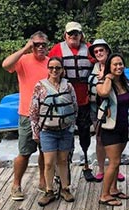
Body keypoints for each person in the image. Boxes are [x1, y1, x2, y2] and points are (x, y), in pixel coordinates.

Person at [1, 31, 49, 201]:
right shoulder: (23, 60)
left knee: (46, 151)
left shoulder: (51, 64)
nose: (41, 47)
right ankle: (16, 184)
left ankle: (43, 182)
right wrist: (26, 48)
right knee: (24, 152)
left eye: (43, 44)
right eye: (37, 44)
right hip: (27, 115)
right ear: (31, 45)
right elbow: (6, 64)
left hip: (47, 115)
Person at [48, 22, 97, 182]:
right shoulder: (57, 49)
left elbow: (99, 65)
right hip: (65, 100)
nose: (73, 36)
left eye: (76, 34)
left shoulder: (89, 48)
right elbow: (50, 71)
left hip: (84, 100)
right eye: (70, 34)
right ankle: (62, 168)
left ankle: (86, 164)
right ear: (65, 35)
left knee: (84, 133)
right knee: (64, 133)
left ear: (81, 35)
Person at [29, 57, 78, 206]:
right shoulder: (40, 86)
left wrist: (71, 126)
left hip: (65, 130)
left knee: (63, 160)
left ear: (62, 69)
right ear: (48, 69)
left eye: (57, 68)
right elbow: (34, 111)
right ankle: (49, 190)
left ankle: (65, 188)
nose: (54, 70)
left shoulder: (68, 86)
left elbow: (74, 106)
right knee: (49, 162)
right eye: (51, 67)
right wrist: (35, 132)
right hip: (47, 130)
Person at [96, 53, 129, 206]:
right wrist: (108, 77)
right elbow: (103, 93)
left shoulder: (126, 83)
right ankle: (104, 195)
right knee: (114, 162)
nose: (118, 67)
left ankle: (114, 189)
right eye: (115, 64)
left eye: (121, 64)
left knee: (117, 160)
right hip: (110, 128)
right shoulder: (102, 82)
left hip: (124, 126)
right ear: (109, 66)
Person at [86, 39, 126, 182]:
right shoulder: (93, 67)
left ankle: (116, 168)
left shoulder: (114, 66)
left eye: (101, 50)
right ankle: (102, 169)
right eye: (96, 51)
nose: (99, 53)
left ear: (107, 51)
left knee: (117, 139)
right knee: (99, 139)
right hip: (96, 109)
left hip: (114, 108)